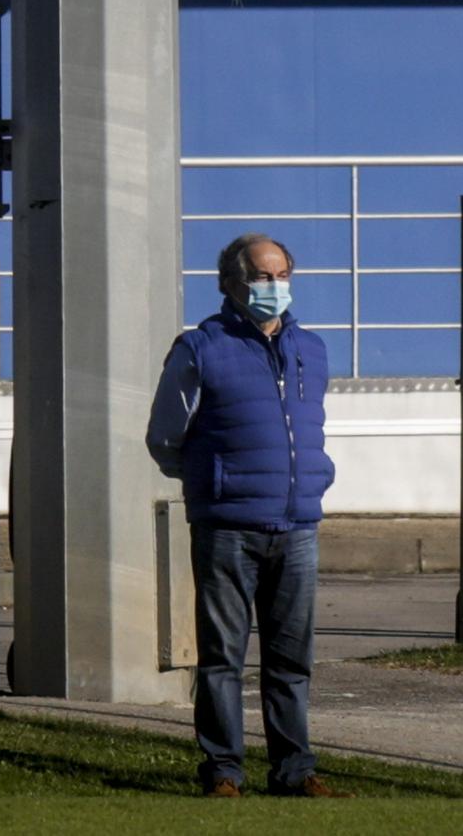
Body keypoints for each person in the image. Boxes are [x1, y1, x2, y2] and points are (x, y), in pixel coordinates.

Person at [145, 232, 345, 799]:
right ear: (230, 285)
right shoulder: (200, 348)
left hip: (298, 526)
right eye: (261, 277)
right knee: (221, 659)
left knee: (290, 661)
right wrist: (213, 484)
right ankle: (223, 772)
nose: (273, 287)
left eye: (281, 275)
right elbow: (165, 435)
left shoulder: (312, 348)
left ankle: (295, 770)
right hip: (228, 526)